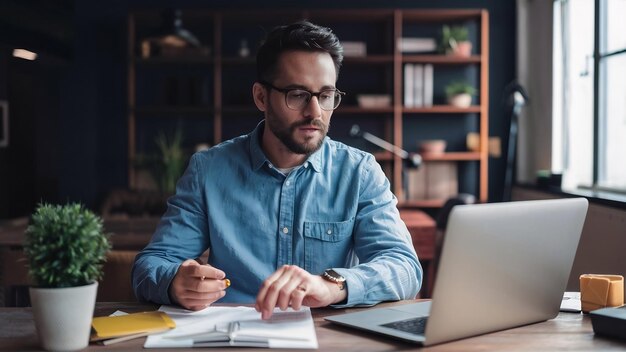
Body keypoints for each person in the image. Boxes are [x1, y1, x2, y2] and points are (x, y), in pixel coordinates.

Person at [132, 21, 423, 319]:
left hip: (328, 340)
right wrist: (174, 282)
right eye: (297, 95)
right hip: (231, 336)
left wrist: (331, 285)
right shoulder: (208, 170)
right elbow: (150, 265)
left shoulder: (360, 172)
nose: (314, 112)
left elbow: (404, 267)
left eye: (325, 96)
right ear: (261, 97)